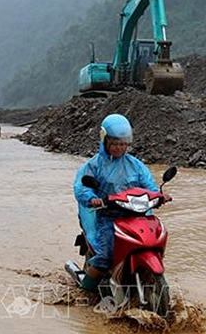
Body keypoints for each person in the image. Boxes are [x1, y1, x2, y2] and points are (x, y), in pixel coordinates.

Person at [73, 113, 171, 291]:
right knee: (107, 256)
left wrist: (159, 195)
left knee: (152, 241)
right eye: (115, 144)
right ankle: (85, 290)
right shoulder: (94, 166)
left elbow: (148, 185)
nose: (119, 148)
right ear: (105, 141)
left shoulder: (136, 165)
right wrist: (92, 198)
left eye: (123, 144)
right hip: (108, 217)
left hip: (136, 215)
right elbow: (82, 187)